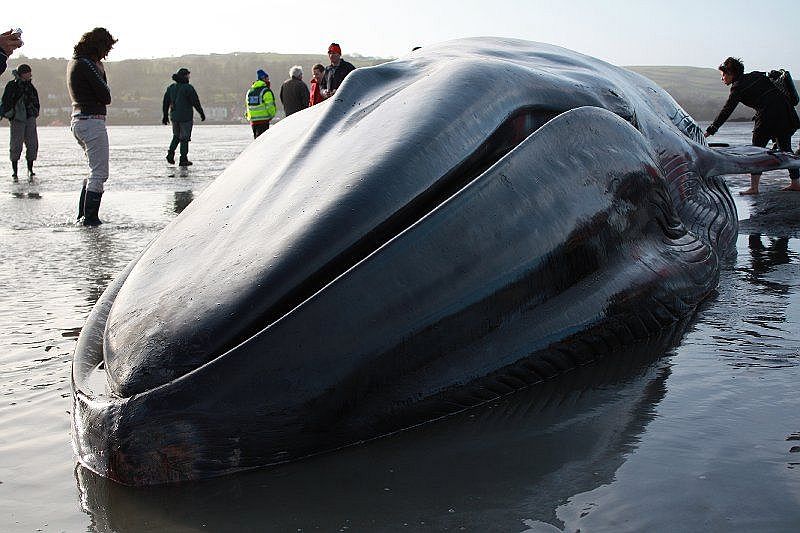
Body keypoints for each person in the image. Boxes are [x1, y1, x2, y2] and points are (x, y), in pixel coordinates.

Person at [705, 57, 800, 194]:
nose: (722, 78)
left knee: (756, 151)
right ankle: (796, 183)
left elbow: (727, 110)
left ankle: (754, 188)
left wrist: (711, 130)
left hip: (767, 117)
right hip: (786, 113)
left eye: (723, 75)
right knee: (786, 148)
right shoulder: (756, 75)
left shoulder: (738, 87)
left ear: (731, 73)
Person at [68, 27, 116, 226]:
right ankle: (90, 218)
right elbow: (106, 96)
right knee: (100, 173)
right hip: (92, 121)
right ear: (99, 46)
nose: (107, 54)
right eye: (107, 49)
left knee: (93, 170)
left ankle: (83, 216)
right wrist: (101, 71)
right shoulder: (87, 65)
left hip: (79, 120)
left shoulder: (75, 62)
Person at [0, 64, 39, 182]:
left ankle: (30, 169)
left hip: (30, 117)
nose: (30, 75)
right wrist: (8, 114)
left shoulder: (30, 86)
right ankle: (15, 171)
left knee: (32, 144)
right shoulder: (12, 85)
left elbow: (36, 100)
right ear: (22, 73)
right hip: (17, 118)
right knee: (16, 145)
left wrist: (35, 111)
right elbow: (5, 101)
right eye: (28, 72)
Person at [162, 67, 205, 167]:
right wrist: (201, 113)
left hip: (174, 116)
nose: (189, 77)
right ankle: (183, 159)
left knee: (176, 136)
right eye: (188, 75)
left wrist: (165, 116)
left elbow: (165, 103)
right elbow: (195, 102)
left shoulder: (171, 88)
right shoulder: (188, 88)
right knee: (184, 138)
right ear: (185, 76)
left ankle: (170, 154)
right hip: (186, 117)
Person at [245, 69, 276, 139]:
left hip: (253, 121)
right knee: (263, 142)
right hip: (263, 120)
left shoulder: (250, 91)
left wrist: (248, 117)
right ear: (264, 79)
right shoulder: (266, 91)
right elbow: (270, 105)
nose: (269, 80)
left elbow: (247, 106)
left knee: (257, 142)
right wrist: (272, 115)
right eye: (267, 79)